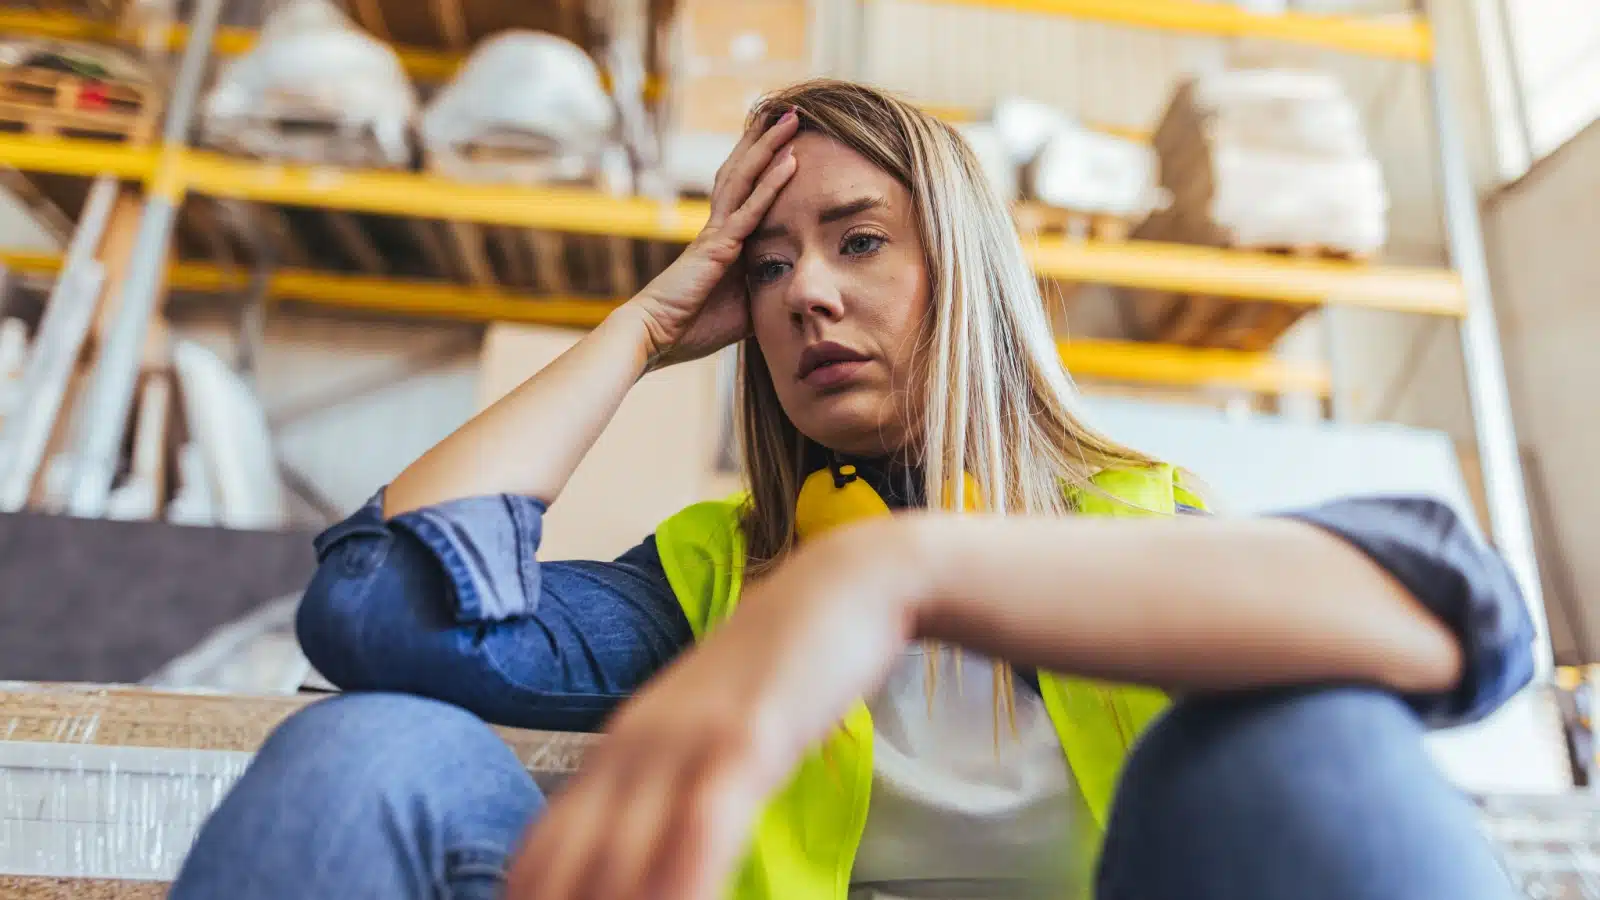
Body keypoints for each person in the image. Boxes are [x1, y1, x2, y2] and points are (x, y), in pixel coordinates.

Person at [171, 80, 1533, 900]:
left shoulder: (1132, 530)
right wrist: (646, 325)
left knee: (1291, 748)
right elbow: (374, 609)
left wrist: (891, 571)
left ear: (966, 273)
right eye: (764, 266)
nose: (803, 291)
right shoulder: (711, 573)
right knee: (374, 751)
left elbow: (1464, 615)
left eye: (860, 241)